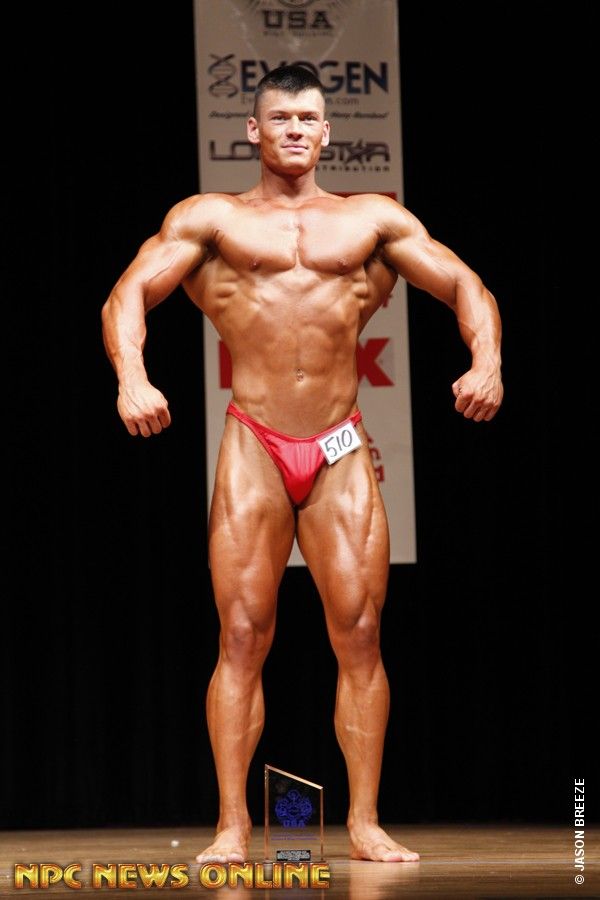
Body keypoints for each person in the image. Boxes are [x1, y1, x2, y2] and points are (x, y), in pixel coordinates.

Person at [101, 64, 503, 864]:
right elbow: (126, 296)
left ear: (326, 132)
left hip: (338, 445)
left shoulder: (372, 222)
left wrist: (487, 361)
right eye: (280, 117)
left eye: (307, 118)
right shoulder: (210, 219)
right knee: (242, 634)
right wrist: (132, 378)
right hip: (253, 441)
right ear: (253, 130)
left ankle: (364, 822)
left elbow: (466, 285)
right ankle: (232, 825)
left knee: (360, 631)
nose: (294, 129)